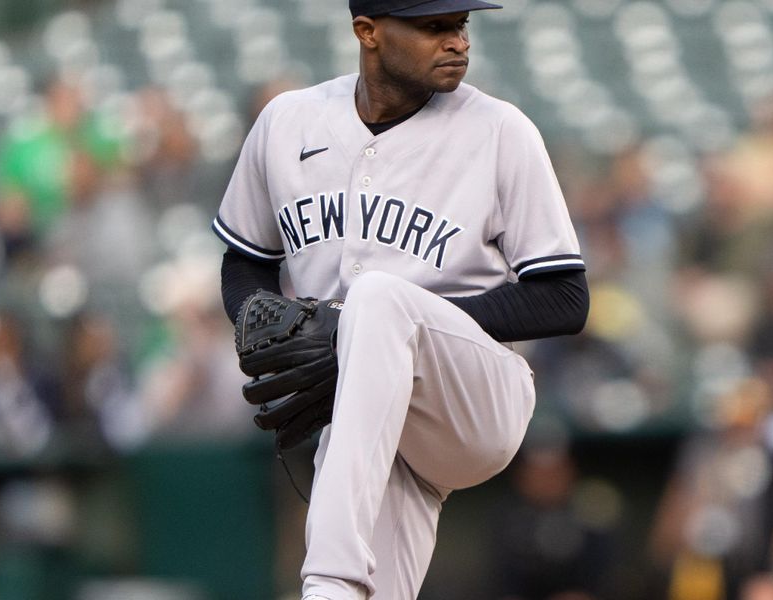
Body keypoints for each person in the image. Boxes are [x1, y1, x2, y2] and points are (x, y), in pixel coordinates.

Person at [212, 1, 589, 598]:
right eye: (435, 26)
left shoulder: (500, 131)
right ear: (368, 32)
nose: (458, 42)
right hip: (369, 416)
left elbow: (565, 297)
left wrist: (374, 332)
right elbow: (246, 262)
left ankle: (328, 582)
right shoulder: (287, 122)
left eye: (461, 25)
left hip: (473, 398)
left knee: (379, 300)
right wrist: (259, 324)